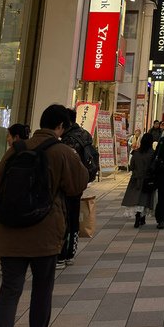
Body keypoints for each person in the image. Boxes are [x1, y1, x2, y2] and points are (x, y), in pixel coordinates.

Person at [0, 103, 88, 327]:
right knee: (42, 289)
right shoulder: (63, 152)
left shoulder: (15, 151)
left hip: (10, 232)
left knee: (8, 294)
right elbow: (78, 185)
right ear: (62, 127)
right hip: (45, 234)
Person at [58, 108, 98, 267]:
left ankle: (62, 254)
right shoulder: (85, 134)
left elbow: (66, 164)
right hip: (80, 182)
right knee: (73, 218)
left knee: (64, 218)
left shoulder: (69, 139)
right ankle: (71, 253)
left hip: (68, 183)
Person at [121, 132, 156, 227]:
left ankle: (137, 217)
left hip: (136, 179)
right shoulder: (153, 154)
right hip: (147, 179)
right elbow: (154, 167)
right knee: (145, 199)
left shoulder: (136, 153)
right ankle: (142, 218)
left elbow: (131, 166)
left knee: (136, 198)